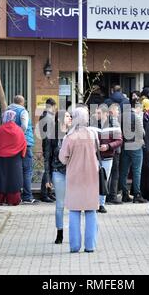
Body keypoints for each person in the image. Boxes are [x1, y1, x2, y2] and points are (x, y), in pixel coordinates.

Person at [59, 107, 99, 253]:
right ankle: (90, 245)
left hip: (74, 177)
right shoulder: (92, 134)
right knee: (91, 211)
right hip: (91, 176)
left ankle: (74, 246)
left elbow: (63, 159)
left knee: (74, 211)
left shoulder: (69, 137)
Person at [43, 110, 72, 244]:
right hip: (58, 172)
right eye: (67, 116)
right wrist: (48, 178)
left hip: (73, 173)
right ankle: (59, 232)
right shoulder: (52, 136)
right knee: (60, 204)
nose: (70, 118)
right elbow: (47, 158)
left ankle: (73, 231)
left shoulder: (73, 134)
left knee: (73, 204)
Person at [89, 104, 123, 213]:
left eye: (99, 113)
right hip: (94, 156)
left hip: (108, 156)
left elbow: (119, 140)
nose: (96, 115)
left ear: (106, 114)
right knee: (93, 180)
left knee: (104, 180)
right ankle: (94, 203)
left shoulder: (114, 124)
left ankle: (101, 204)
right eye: (96, 113)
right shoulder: (92, 124)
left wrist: (108, 146)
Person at [0, 110, 27, 206]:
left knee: (1, 178)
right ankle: (13, 200)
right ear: (14, 118)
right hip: (15, 159)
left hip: (1, 158)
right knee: (14, 179)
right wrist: (22, 155)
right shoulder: (19, 130)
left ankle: (1, 199)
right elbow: (24, 143)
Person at [7, 95, 37, 204]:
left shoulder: (7, 111)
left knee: (15, 170)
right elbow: (24, 126)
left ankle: (16, 195)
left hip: (11, 144)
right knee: (27, 170)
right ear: (22, 102)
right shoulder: (23, 111)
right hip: (25, 143)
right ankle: (27, 196)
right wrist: (18, 134)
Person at [118, 102, 148, 203]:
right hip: (136, 146)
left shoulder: (120, 117)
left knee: (124, 171)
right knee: (136, 171)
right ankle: (137, 194)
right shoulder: (136, 117)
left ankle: (124, 194)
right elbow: (142, 132)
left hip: (124, 146)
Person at [38, 98, 57, 203]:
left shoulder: (44, 115)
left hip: (46, 144)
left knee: (49, 169)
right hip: (48, 145)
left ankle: (48, 192)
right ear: (53, 105)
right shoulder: (48, 116)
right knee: (47, 170)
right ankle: (44, 194)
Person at [105, 103, 123, 205]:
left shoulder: (104, 121)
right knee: (115, 173)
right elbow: (118, 137)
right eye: (117, 111)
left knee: (107, 173)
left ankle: (106, 194)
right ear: (112, 112)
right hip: (115, 150)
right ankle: (112, 195)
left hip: (107, 150)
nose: (119, 113)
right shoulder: (114, 121)